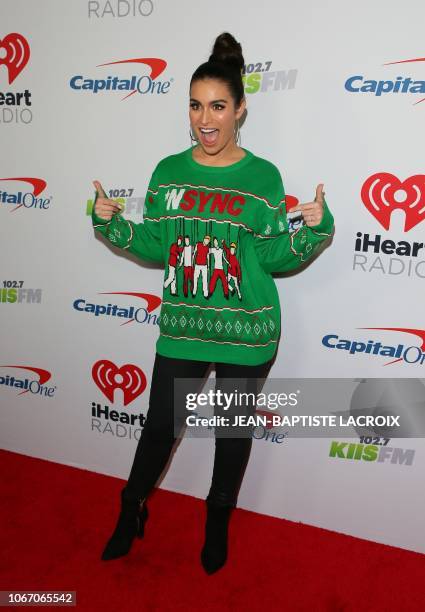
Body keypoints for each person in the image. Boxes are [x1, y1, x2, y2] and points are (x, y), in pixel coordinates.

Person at [91, 32, 335, 574]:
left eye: (218, 106)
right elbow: (157, 245)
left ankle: (217, 519)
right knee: (160, 426)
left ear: (240, 109)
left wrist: (316, 230)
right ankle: (131, 510)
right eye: (196, 106)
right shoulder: (168, 172)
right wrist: (111, 225)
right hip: (184, 325)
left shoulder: (262, 177)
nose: (206, 119)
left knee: (231, 432)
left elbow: (274, 255)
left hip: (247, 334)